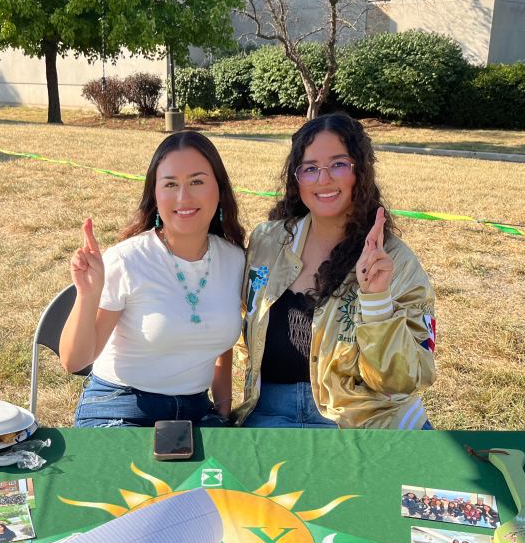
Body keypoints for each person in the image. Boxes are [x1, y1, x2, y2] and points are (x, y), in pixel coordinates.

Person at [235, 112, 435, 429]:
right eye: (310, 168)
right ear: (296, 179)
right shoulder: (266, 242)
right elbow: (242, 322)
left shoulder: (394, 261)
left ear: (361, 171)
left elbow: (404, 380)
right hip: (268, 412)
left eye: (339, 164)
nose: (323, 179)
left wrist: (377, 301)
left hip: (360, 420)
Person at [60, 131, 245, 427]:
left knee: (232, 473)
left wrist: (223, 410)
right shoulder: (128, 259)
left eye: (197, 181)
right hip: (120, 407)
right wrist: (88, 295)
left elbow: (221, 345)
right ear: (155, 195)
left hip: (196, 411)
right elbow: (74, 361)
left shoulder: (235, 261)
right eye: (170, 184)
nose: (184, 197)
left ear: (219, 189)